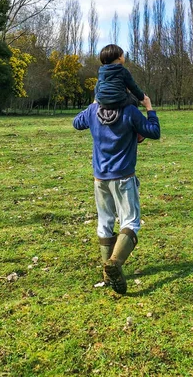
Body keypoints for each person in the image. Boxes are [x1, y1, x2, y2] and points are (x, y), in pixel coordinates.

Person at [73, 93, 160, 294]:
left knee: (104, 222)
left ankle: (107, 275)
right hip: (123, 177)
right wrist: (149, 107)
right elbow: (152, 131)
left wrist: (93, 103)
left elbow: (77, 123)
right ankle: (114, 263)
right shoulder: (130, 111)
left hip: (100, 178)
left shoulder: (93, 111)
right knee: (130, 222)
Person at [95, 44, 145, 110]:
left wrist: (96, 98)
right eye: (123, 55)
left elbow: (97, 87)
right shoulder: (123, 70)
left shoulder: (101, 71)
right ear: (119, 57)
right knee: (133, 99)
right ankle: (132, 115)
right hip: (119, 101)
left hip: (103, 102)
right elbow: (133, 87)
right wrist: (142, 97)